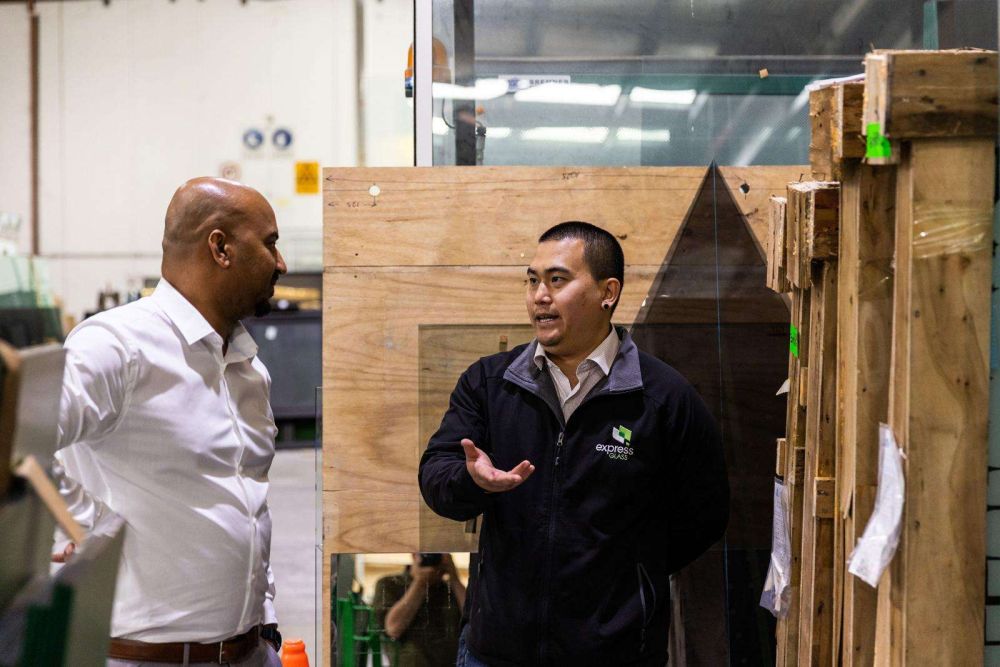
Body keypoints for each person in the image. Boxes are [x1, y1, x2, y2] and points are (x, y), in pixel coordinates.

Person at [419, 221, 729, 666]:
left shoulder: (662, 397)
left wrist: (628, 573)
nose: (539, 296)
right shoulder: (489, 383)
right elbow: (436, 474)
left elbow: (706, 513)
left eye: (557, 280)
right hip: (497, 652)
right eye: (532, 281)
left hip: (616, 655)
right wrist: (473, 482)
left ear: (608, 292)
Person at [54, 177, 287, 666]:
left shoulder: (248, 368)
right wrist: (81, 525)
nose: (281, 264)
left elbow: (248, 503)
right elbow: (20, 437)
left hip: (250, 650)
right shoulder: (117, 346)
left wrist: (264, 618)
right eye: (270, 244)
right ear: (220, 248)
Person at [372, 553, 466, 667]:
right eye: (428, 554)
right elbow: (393, 628)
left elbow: (475, 621)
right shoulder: (390, 584)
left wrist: (455, 580)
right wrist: (420, 583)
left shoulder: (451, 590)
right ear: (414, 555)